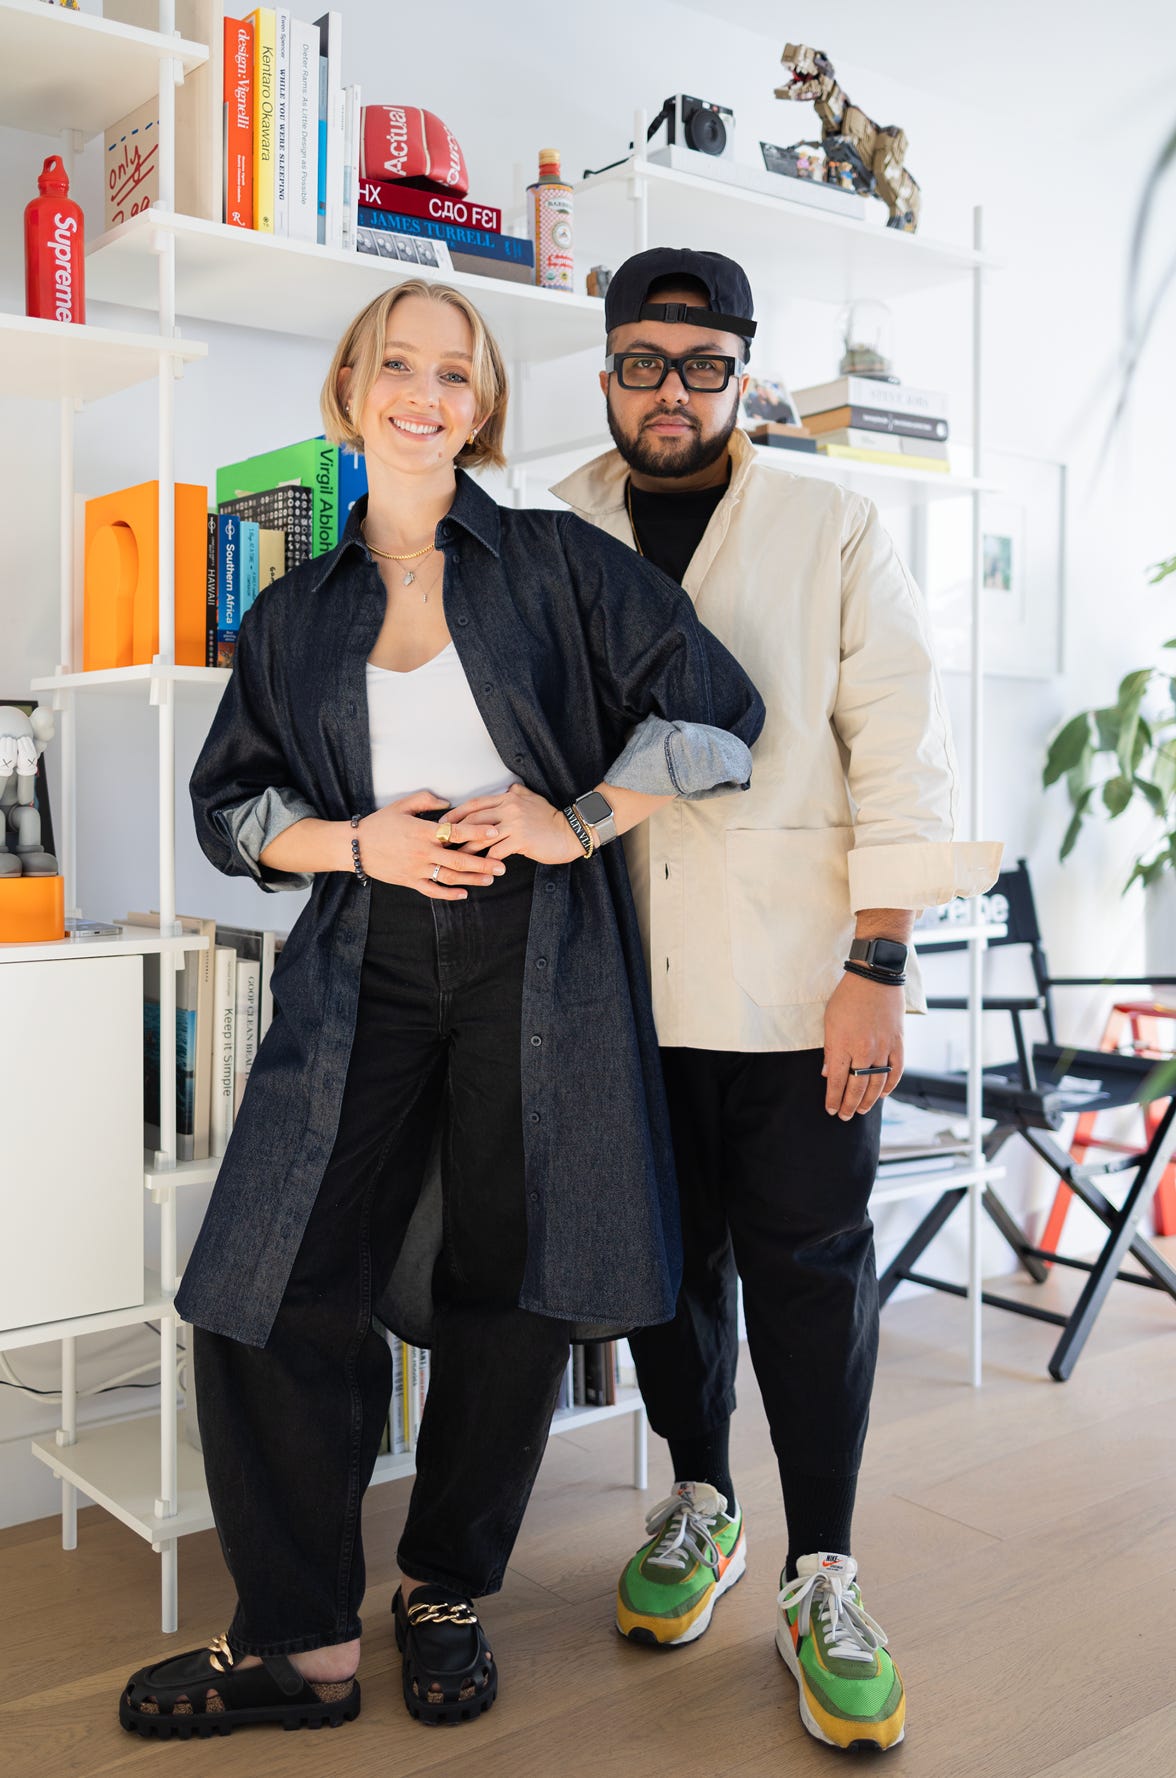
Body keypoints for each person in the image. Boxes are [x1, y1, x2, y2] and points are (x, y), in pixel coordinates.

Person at [118, 278, 764, 1740]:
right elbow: (233, 811)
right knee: (264, 1276)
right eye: (396, 365)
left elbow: (721, 714)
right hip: (364, 955)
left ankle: (444, 1587)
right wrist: (363, 843)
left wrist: (574, 817)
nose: (424, 394)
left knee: (506, 1280)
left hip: (544, 960)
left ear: (483, 407)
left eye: (454, 372)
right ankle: (299, 1642)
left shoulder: (554, 563)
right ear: (350, 391)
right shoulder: (292, 613)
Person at [552, 247, 1001, 1756]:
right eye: (643, 363)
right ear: (607, 372)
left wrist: (879, 968)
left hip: (804, 984)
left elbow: (903, 754)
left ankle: (825, 1571)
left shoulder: (833, 522)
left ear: (743, 377)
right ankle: (704, 1502)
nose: (670, 393)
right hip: (622, 985)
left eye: (703, 366)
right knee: (665, 1268)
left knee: (809, 1268)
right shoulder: (558, 524)